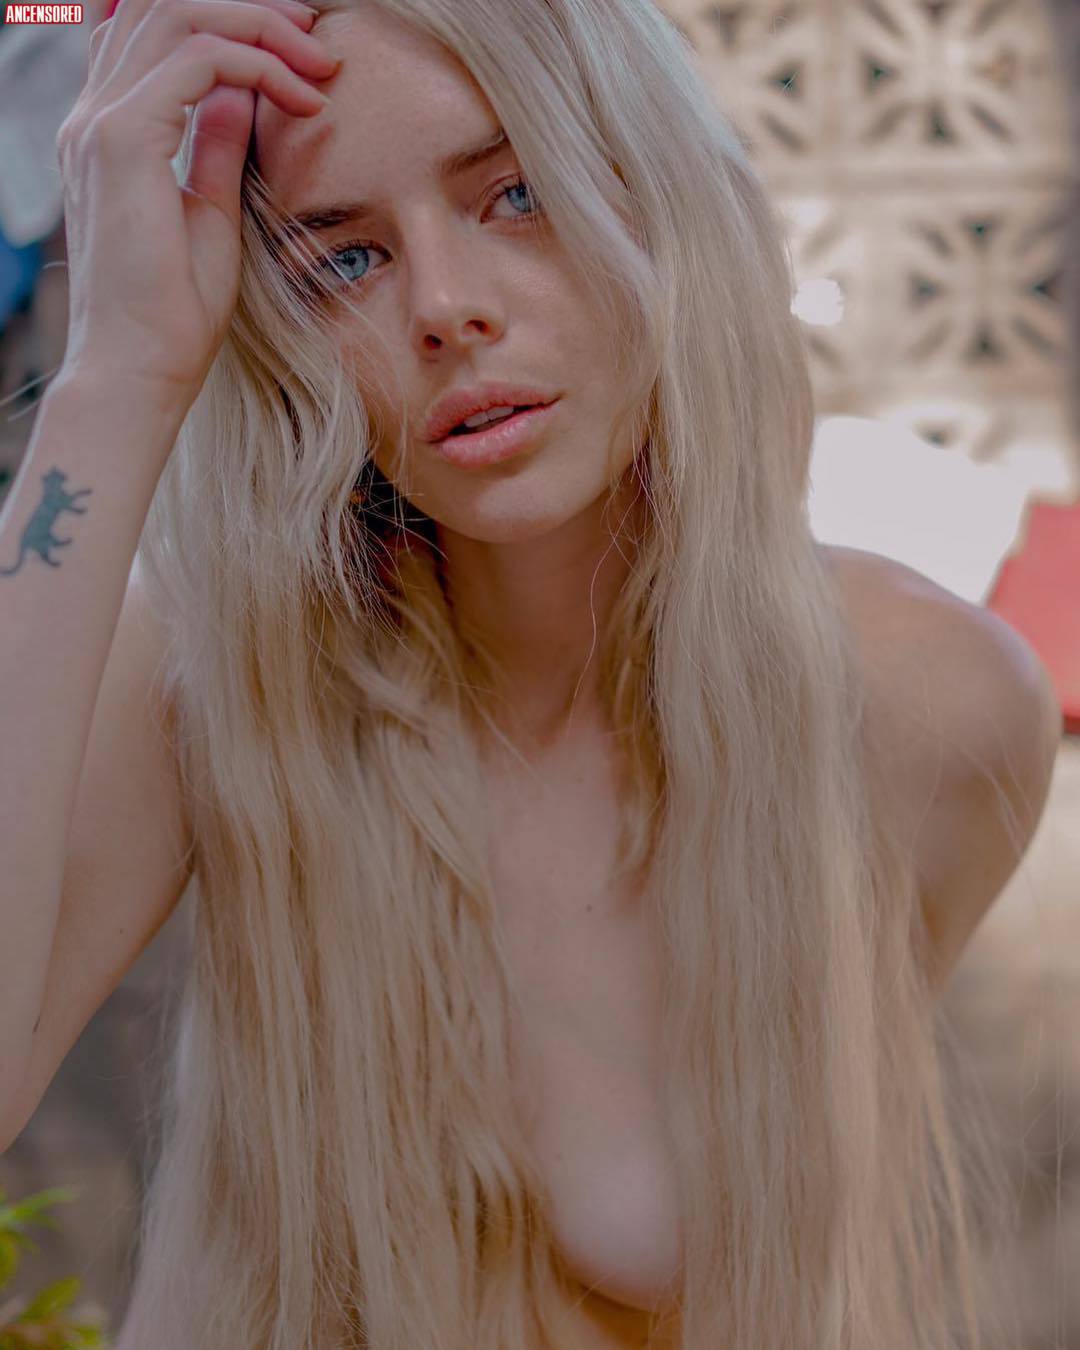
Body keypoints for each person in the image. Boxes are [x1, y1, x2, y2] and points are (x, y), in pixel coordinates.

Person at [0, 1, 1062, 1347]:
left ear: (657, 195)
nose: (446, 306)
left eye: (518, 194)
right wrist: (117, 373)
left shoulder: (930, 704)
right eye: (345, 260)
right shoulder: (213, 667)